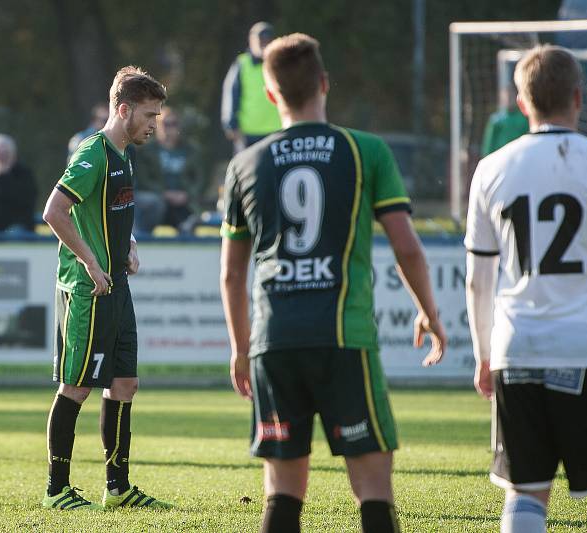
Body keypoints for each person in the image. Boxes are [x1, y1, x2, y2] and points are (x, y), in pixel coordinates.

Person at [220, 33, 447, 533]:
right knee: (372, 486)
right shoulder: (364, 151)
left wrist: (240, 348)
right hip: (344, 339)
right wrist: (428, 311)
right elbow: (407, 246)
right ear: (324, 83)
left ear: (272, 94)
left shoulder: (244, 164)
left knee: (282, 490)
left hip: (274, 343)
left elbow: (233, 272)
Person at [464, 44, 587, 533]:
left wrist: (483, 353)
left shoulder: (490, 168)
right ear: (578, 97)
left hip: (519, 349)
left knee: (526, 492)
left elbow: (477, 277)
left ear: (520, 102)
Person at [41, 65, 171, 511]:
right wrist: (92, 262)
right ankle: (56, 490)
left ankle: (117, 488)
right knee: (76, 386)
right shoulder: (93, 154)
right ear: (124, 109)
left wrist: (128, 243)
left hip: (116, 284)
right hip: (90, 289)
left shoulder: (123, 153)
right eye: (150, 115)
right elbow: (54, 211)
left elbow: (105, 213)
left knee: (125, 383)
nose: (156, 124)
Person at [136, 106, 206, 232]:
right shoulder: (146, 151)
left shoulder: (192, 151)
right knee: (156, 204)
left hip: (185, 200)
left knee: (190, 214)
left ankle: (187, 227)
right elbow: (143, 180)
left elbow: (200, 179)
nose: (169, 128)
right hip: (158, 199)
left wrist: (187, 194)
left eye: (173, 124)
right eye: (165, 124)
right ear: (157, 126)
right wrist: (164, 193)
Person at [221, 21, 283, 154]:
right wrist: (231, 125)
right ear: (251, 40)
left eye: (267, 40)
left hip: (277, 132)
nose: (264, 43)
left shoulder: (281, 63)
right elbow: (231, 94)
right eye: (260, 40)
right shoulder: (242, 63)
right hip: (247, 135)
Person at [481, 84, 529, 157]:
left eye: (511, 96)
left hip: (519, 156)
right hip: (500, 158)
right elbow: (488, 145)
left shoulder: (524, 117)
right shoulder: (495, 120)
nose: (508, 99)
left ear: (516, 97)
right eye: (506, 96)